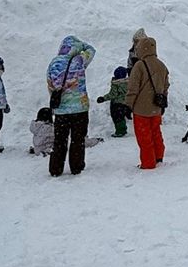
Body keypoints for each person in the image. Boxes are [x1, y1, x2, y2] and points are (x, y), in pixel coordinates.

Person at [46, 35, 96, 176]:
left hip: (61, 109)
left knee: (60, 140)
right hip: (80, 108)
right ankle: (76, 166)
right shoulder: (79, 60)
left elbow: (50, 84)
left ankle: (55, 169)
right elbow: (91, 50)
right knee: (78, 139)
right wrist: (80, 46)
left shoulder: (53, 63)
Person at [126, 34, 170, 169]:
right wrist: (162, 101)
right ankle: (158, 156)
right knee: (156, 133)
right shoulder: (162, 65)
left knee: (144, 136)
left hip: (141, 109)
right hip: (156, 107)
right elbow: (166, 86)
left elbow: (133, 88)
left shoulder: (139, 65)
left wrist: (128, 105)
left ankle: (148, 163)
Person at [101, 66, 132, 136]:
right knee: (122, 116)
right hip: (126, 103)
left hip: (117, 105)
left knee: (118, 118)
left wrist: (103, 98)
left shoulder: (116, 84)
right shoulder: (129, 82)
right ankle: (127, 118)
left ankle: (120, 131)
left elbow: (112, 94)